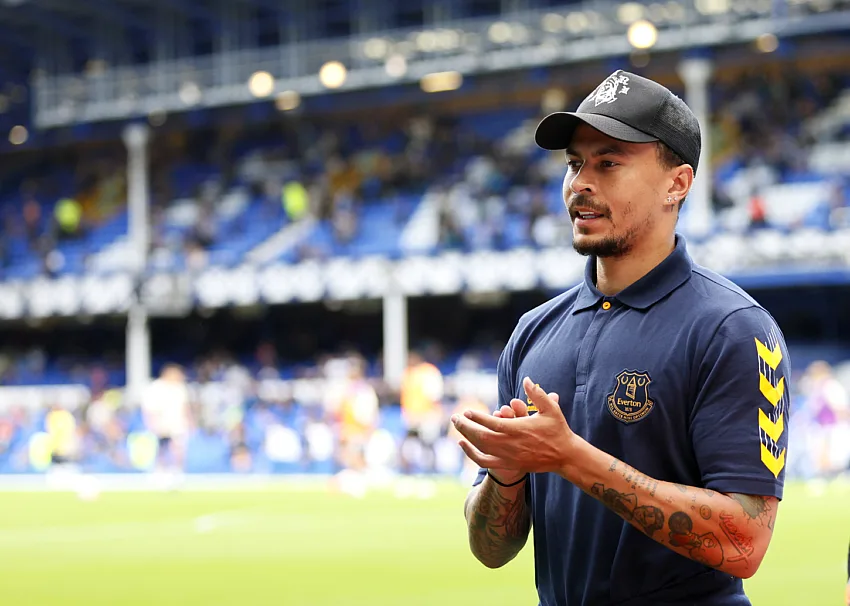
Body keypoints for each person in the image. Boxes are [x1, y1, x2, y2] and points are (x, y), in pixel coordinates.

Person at [452, 70, 791, 605]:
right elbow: (491, 550)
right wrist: (507, 475)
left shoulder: (732, 328)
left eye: (608, 163)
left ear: (677, 184)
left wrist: (570, 457)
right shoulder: (533, 333)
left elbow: (744, 541)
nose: (580, 183)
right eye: (574, 163)